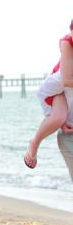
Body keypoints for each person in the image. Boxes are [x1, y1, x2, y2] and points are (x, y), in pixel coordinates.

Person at [25, 20, 73, 169]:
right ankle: (34, 143)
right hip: (55, 88)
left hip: (67, 91)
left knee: (63, 120)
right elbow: (67, 80)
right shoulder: (67, 42)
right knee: (57, 118)